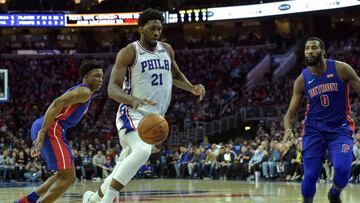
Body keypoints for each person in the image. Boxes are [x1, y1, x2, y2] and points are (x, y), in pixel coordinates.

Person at [83, 8, 205, 203]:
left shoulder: (167, 49)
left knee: (125, 162)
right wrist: (132, 100)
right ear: (140, 28)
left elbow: (175, 76)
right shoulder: (129, 52)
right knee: (143, 150)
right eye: (151, 28)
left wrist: (192, 88)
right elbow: (112, 89)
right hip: (132, 114)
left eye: (159, 28)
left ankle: (93, 199)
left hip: (155, 117)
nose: (156, 32)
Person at [15, 60, 103, 203]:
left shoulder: (85, 93)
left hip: (48, 127)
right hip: (50, 127)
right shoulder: (84, 91)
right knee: (69, 177)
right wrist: (43, 132)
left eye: (101, 76)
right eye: (96, 75)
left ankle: (27, 200)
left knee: (63, 172)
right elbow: (57, 102)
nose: (100, 79)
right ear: (86, 77)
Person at [284, 37, 358, 203]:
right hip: (313, 130)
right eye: (307, 48)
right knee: (310, 174)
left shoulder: (341, 69)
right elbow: (290, 113)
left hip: (340, 128)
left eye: (314, 48)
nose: (310, 51)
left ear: (323, 51)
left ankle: (335, 193)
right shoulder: (302, 80)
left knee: (341, 169)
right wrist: (288, 130)